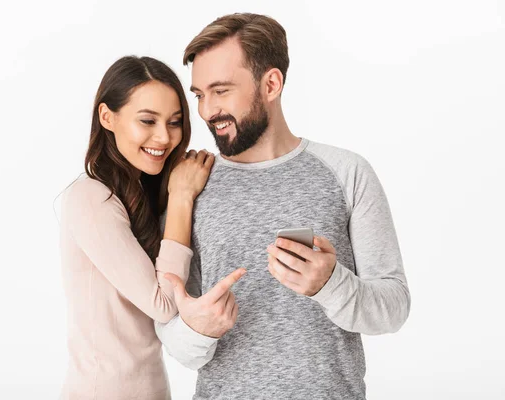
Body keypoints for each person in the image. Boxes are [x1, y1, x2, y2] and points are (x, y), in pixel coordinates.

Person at [156, 13, 411, 399]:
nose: (207, 111)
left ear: (271, 83)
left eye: (221, 91)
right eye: (199, 94)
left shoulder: (347, 172)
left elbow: (394, 308)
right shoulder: (190, 183)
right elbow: (172, 335)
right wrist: (197, 329)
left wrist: (331, 284)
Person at [58, 55, 218, 400]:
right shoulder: (91, 198)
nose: (164, 137)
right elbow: (164, 303)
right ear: (107, 117)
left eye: (174, 122)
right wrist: (182, 197)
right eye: (147, 120)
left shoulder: (138, 195)